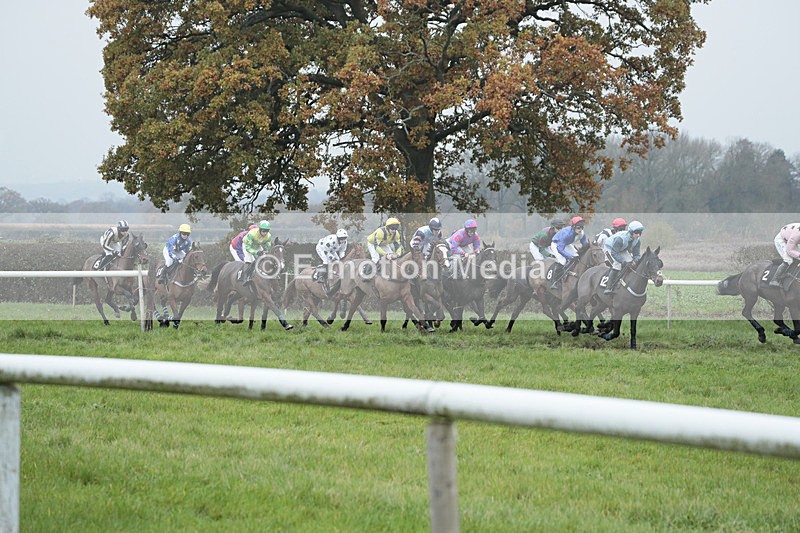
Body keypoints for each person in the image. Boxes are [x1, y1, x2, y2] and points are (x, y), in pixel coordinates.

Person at [602, 220, 644, 294]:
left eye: (640, 233)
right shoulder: (620, 239)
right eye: (636, 232)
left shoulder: (637, 241)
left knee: (630, 263)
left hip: (621, 249)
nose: (638, 235)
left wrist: (635, 260)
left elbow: (637, 254)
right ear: (631, 232)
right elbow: (614, 252)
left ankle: (624, 281)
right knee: (617, 265)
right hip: (610, 248)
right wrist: (623, 262)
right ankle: (608, 287)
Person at [549, 216, 588, 287]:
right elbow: (560, 249)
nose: (580, 230)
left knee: (576, 256)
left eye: (582, 227)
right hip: (556, 245)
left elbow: (585, 245)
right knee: (563, 261)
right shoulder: (566, 234)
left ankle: (572, 272)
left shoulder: (582, 234)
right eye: (578, 228)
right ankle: (554, 281)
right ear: (573, 227)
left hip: (566, 244)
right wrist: (569, 256)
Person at [315, 229, 349, 293]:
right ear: (338, 238)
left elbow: (342, 251)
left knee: (338, 260)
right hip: (322, 248)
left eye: (345, 238)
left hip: (331, 250)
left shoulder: (345, 242)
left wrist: (342, 259)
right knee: (326, 261)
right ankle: (320, 276)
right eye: (342, 238)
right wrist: (333, 258)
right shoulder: (332, 240)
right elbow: (326, 252)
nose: (343, 240)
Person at [770, 222, 800, 287]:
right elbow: (789, 250)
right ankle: (774, 279)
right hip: (781, 240)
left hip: (791, 240)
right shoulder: (796, 235)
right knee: (788, 259)